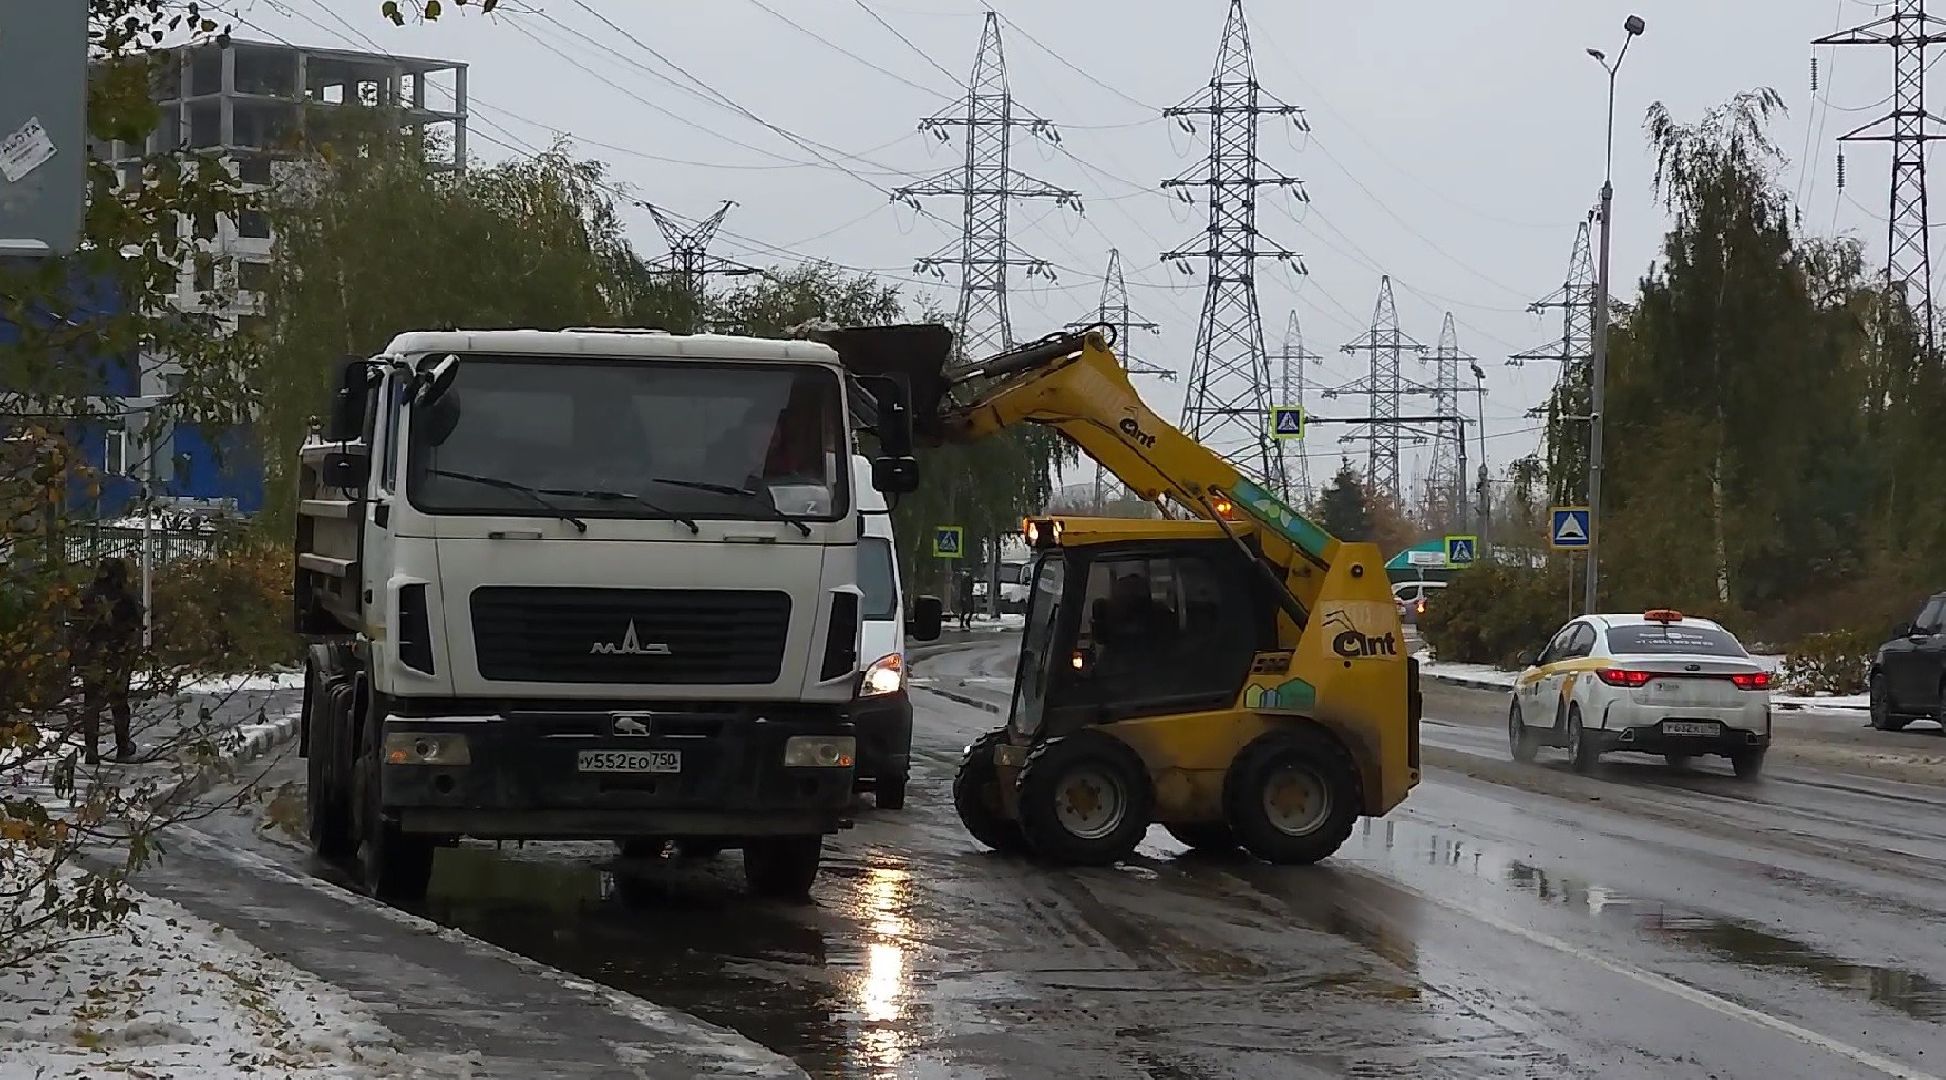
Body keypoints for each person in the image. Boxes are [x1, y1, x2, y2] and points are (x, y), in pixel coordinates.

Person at [71, 557, 142, 764]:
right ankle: (122, 746)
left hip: (91, 656)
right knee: (119, 702)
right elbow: (135, 626)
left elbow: (76, 628)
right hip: (116, 656)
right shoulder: (125, 598)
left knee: (91, 704)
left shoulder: (86, 597)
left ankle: (91, 751)